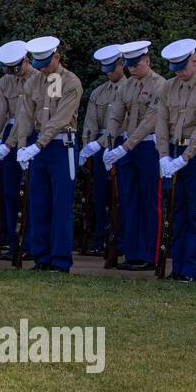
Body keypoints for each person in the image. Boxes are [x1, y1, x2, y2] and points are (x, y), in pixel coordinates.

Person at [10, 35, 83, 272]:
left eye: (46, 64)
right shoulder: (33, 82)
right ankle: (41, 257)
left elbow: (61, 118)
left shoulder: (71, 82)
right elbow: (25, 115)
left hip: (62, 145)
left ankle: (60, 260)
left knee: (61, 205)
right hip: (38, 148)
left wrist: (37, 145)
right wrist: (22, 145)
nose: (42, 70)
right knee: (39, 203)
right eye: (38, 65)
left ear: (57, 57)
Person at [154, 39, 196, 283]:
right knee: (178, 213)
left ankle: (192, 270)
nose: (180, 73)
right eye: (176, 68)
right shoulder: (168, 88)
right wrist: (163, 155)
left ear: (194, 60)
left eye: (184, 67)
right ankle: (179, 267)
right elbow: (161, 123)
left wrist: (185, 157)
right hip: (173, 153)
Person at [104, 40, 165, 271]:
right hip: (126, 148)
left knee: (150, 200)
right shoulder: (125, 86)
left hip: (149, 146)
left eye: (136, 64)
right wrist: (110, 144)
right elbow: (115, 116)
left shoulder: (160, 85)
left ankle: (150, 255)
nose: (132, 69)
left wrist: (125, 146)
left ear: (147, 61)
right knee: (128, 200)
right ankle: (132, 252)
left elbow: (150, 120)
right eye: (129, 65)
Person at [0, 41, 34, 260]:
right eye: (8, 68)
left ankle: (31, 244)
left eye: (17, 67)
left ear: (26, 61)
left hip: (30, 135)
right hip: (7, 136)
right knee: (9, 193)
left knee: (31, 194)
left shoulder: (39, 80)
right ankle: (13, 243)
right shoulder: (2, 83)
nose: (13, 73)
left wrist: (7, 145)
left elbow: (26, 117)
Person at [76, 44, 125, 256]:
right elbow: (90, 123)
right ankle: (100, 238)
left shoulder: (130, 88)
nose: (109, 74)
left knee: (121, 197)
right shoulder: (99, 92)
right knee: (99, 196)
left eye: (113, 69)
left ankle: (120, 241)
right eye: (106, 70)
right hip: (99, 148)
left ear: (122, 64)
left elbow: (124, 123)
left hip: (121, 146)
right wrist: (88, 146)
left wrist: (103, 143)